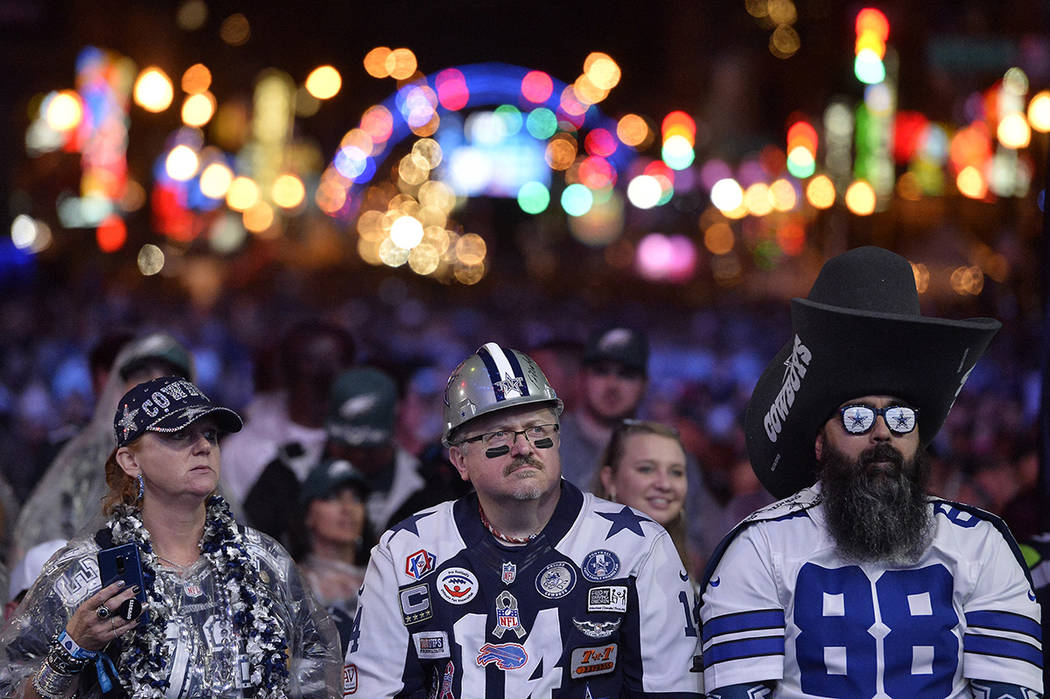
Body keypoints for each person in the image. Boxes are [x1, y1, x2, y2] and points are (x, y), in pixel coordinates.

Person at [698, 247, 1041, 696]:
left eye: (901, 418)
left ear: (919, 438)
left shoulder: (982, 545)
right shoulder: (760, 547)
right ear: (820, 442)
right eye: (858, 417)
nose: (883, 432)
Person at [344, 342, 703, 698]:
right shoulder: (404, 551)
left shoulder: (639, 546)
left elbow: (671, 690)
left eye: (538, 429)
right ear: (460, 461)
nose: (523, 447)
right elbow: (374, 691)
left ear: (558, 437)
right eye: (498, 434)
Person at [0, 376, 342, 697]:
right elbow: (9, 686)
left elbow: (318, 667)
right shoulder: (83, 572)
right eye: (178, 435)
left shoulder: (264, 561)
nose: (203, 446)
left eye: (210, 434)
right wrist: (72, 650)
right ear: (130, 461)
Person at [10, 332, 194, 566]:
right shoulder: (80, 458)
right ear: (117, 385)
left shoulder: (200, 454)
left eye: (171, 376)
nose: (156, 385)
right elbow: (39, 546)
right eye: (142, 374)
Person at [244, 366, 429, 541]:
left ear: (394, 433)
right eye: (346, 447)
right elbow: (251, 541)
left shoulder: (424, 484)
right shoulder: (287, 471)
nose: (358, 456)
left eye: (369, 449)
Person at [220, 319, 356, 509]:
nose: (355, 373)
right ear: (306, 366)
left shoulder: (361, 440)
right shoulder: (244, 450)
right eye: (344, 361)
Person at [288, 458, 376, 656]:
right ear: (308, 514)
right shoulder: (290, 582)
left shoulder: (383, 577)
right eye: (333, 497)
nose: (348, 509)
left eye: (356, 498)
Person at [556, 326, 649, 488]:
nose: (612, 385)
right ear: (582, 377)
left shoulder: (667, 453)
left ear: (644, 385)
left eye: (626, 374)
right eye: (601, 371)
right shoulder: (547, 443)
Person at [593, 420, 691, 573]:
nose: (665, 484)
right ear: (610, 479)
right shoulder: (581, 564)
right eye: (646, 469)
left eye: (676, 472)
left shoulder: (689, 580)